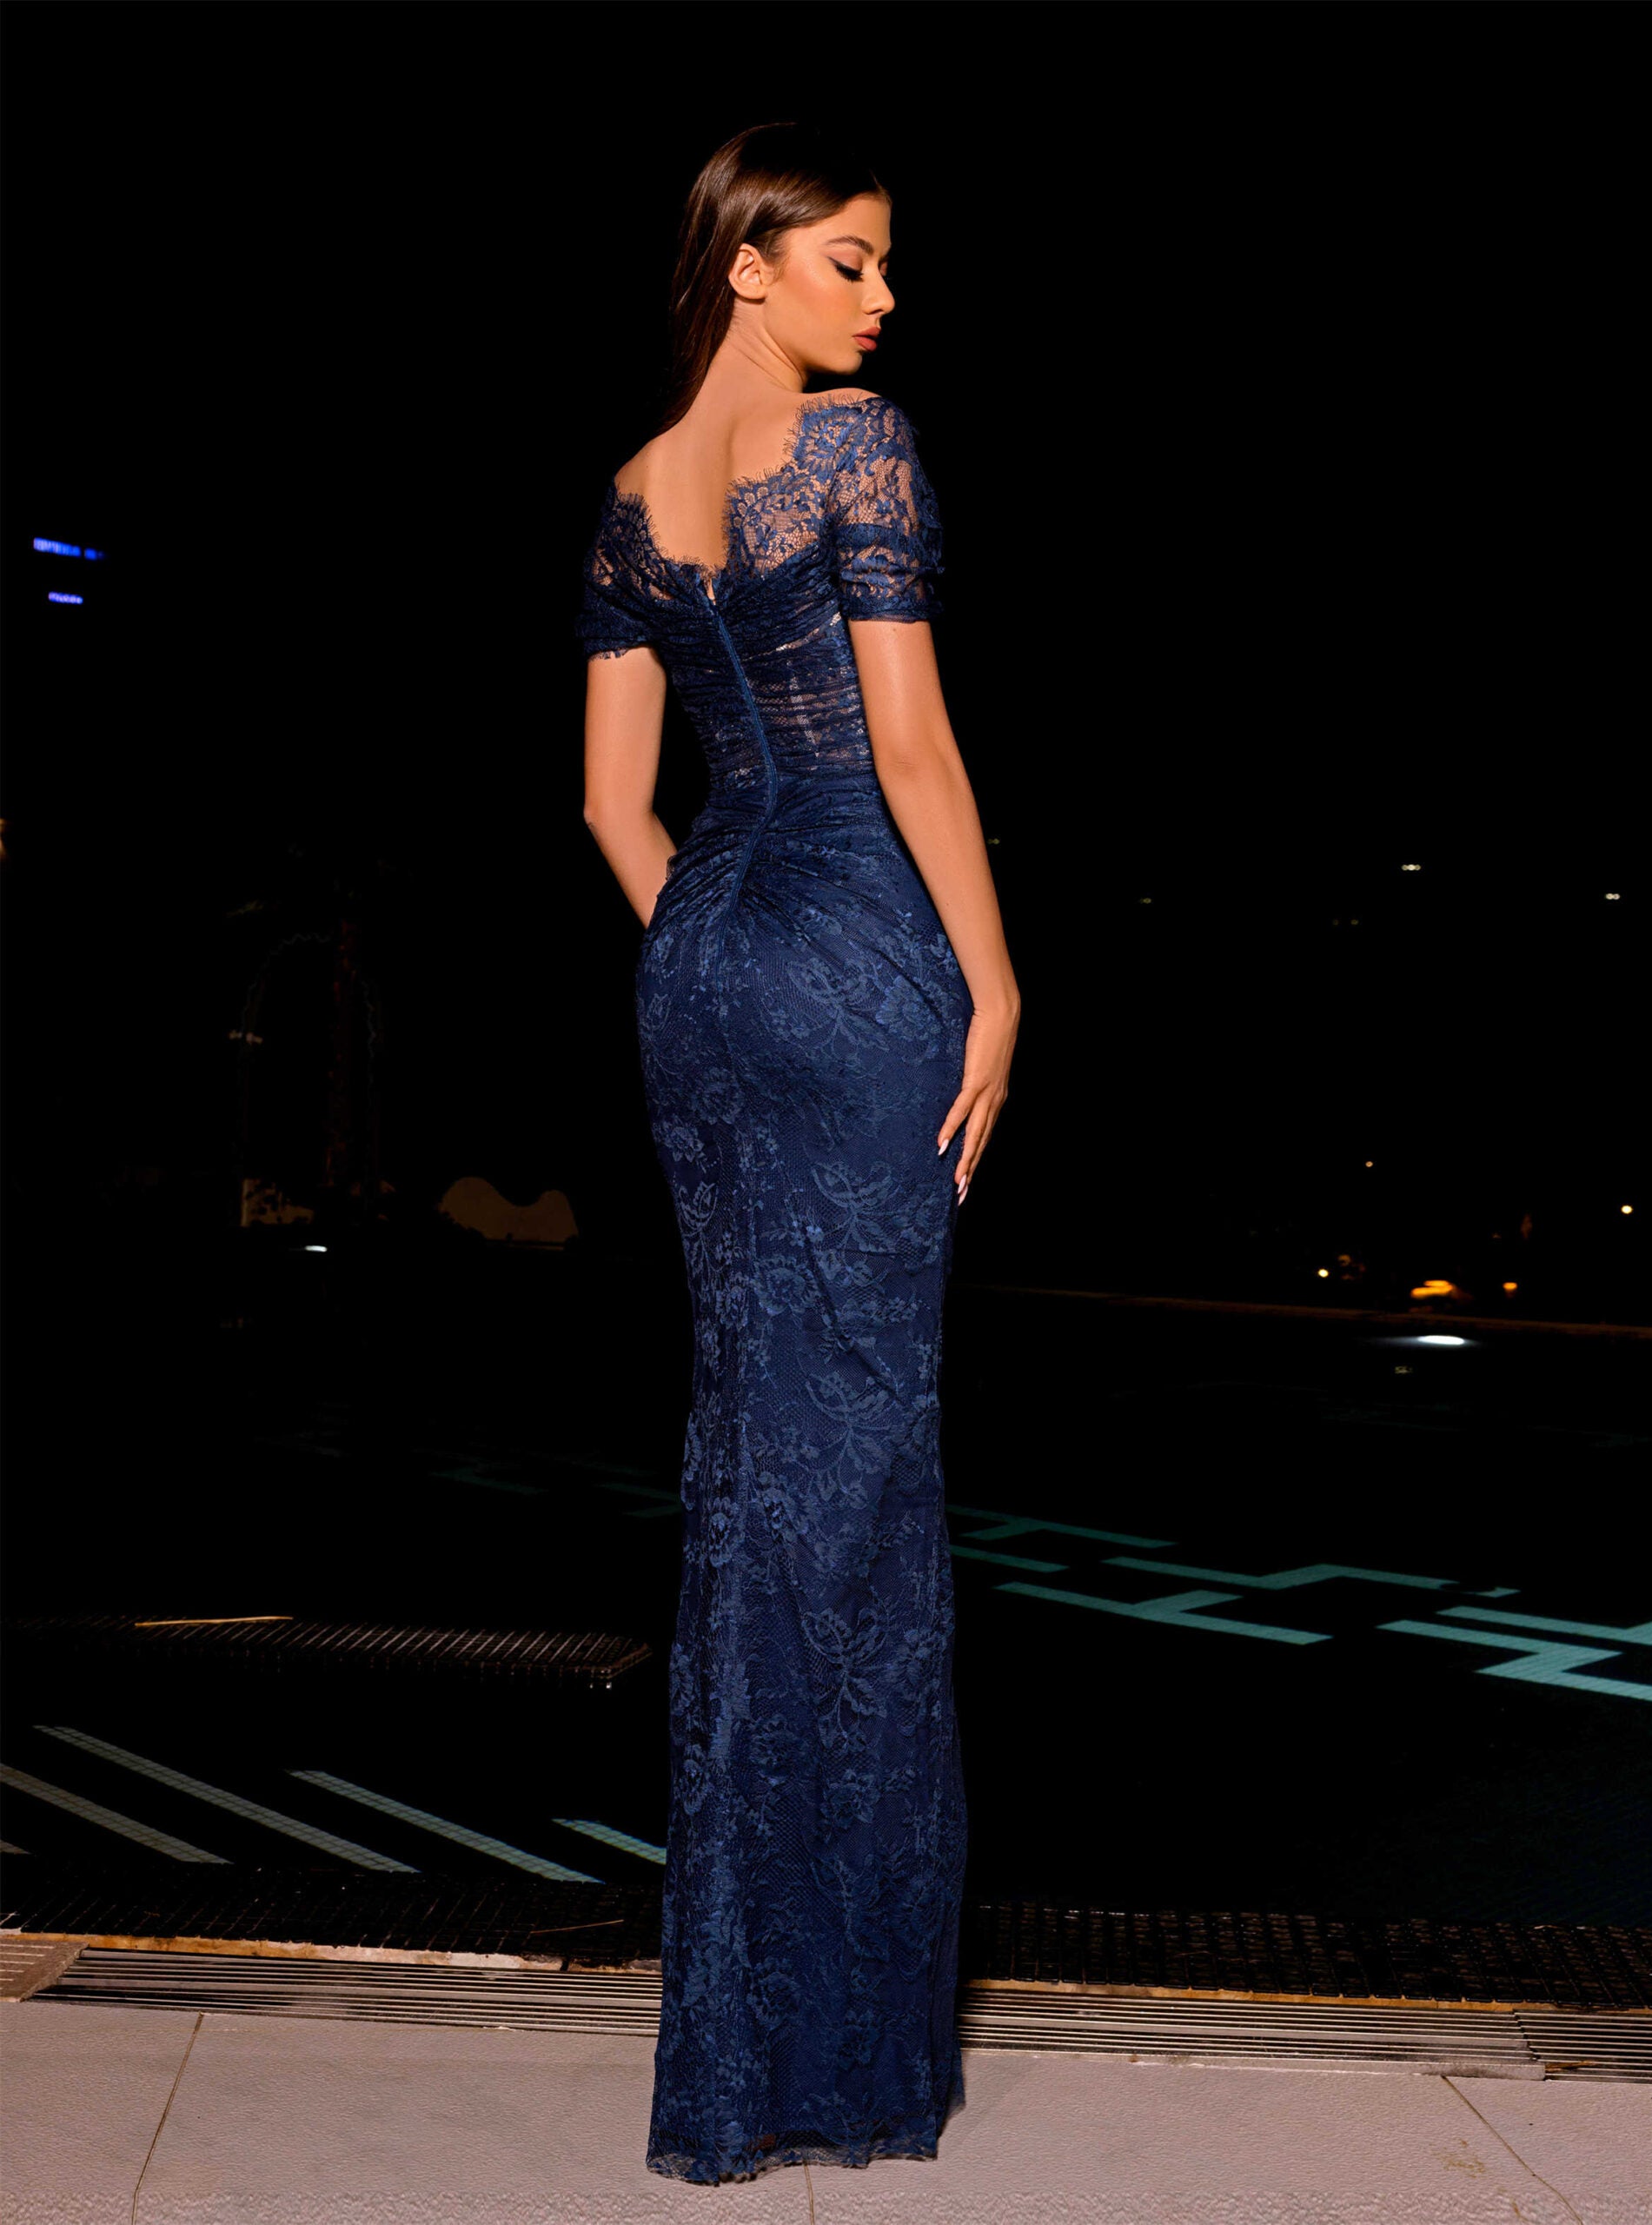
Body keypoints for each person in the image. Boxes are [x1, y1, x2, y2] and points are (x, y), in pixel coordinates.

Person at [575, 119, 1019, 2185]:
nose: (883, 297)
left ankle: (741, 2043)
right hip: (855, 945)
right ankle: (841, 2055)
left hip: (704, 963)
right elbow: (908, 744)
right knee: (861, 1479)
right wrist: (992, 982)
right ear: (748, 263)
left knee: (753, 1467)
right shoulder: (854, 447)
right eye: (850, 259)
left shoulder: (632, 491)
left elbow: (610, 808)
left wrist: (716, 940)